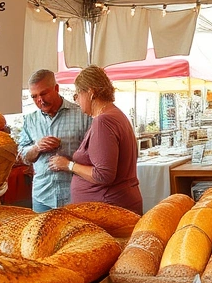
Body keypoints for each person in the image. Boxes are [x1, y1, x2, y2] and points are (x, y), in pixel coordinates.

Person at [49, 66, 143, 214]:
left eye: (78, 94)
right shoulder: (115, 114)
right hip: (116, 204)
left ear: (91, 93)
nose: (77, 100)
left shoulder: (103, 121)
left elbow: (103, 175)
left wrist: (69, 165)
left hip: (108, 208)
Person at [17, 69, 91, 212]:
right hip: (42, 197)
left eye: (44, 93)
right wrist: (36, 147)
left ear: (56, 88)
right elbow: (22, 156)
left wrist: (68, 161)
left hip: (75, 195)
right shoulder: (30, 120)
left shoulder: (82, 115)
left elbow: (93, 155)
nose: (40, 100)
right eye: (34, 96)